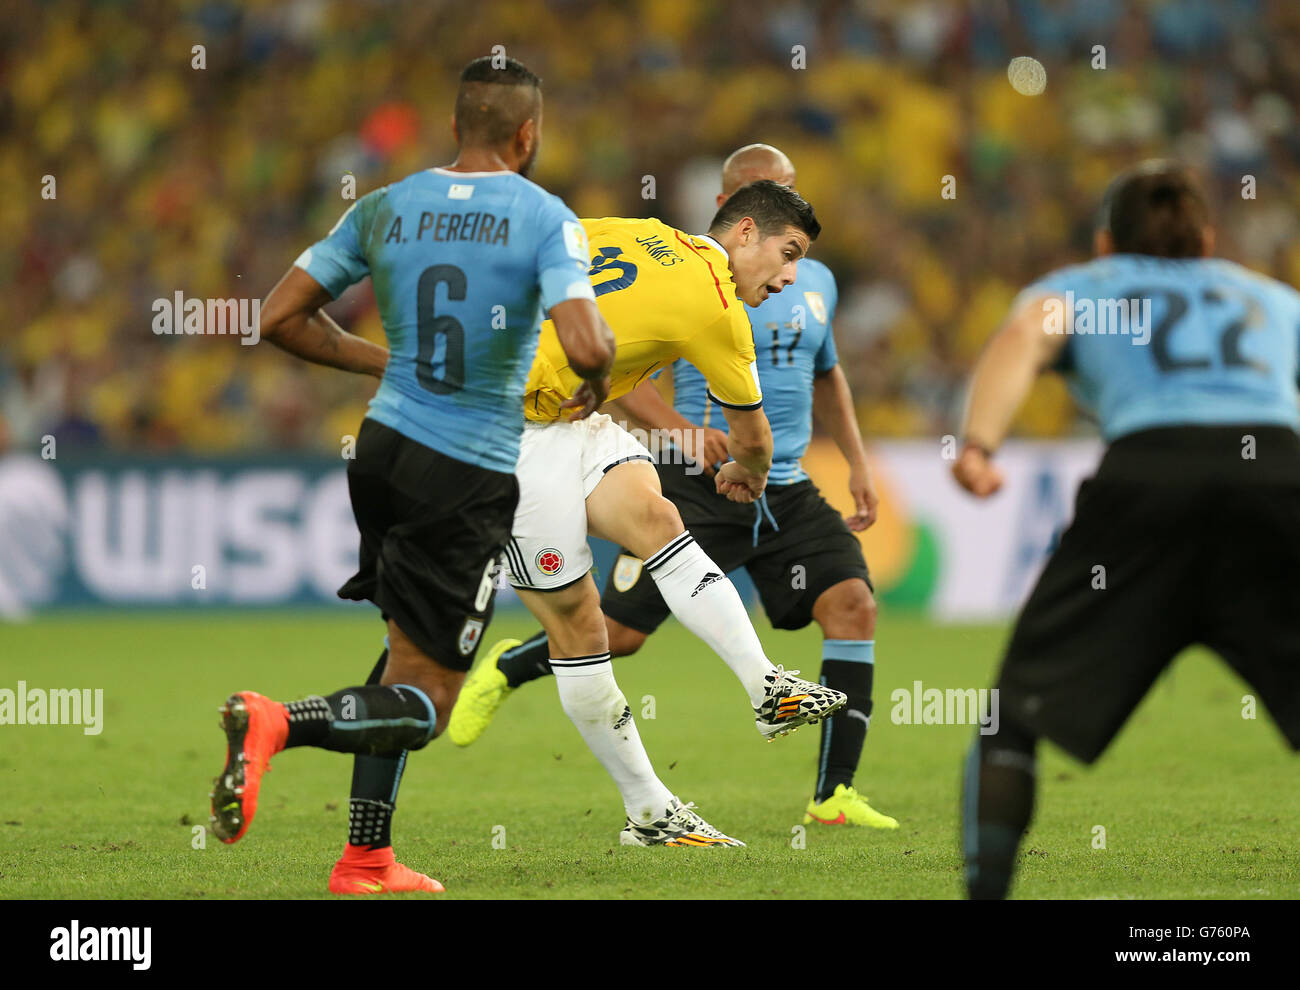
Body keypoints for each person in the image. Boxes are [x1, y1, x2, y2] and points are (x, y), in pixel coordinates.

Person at [207, 55, 615, 894]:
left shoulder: (384, 207)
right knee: (427, 704)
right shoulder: (545, 216)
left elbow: (277, 316)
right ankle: (277, 722)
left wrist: (387, 363)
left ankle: (364, 859)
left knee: (400, 659)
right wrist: (599, 370)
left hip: (383, 450)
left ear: (455, 127)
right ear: (529, 134)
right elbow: (584, 343)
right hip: (464, 470)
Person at [453, 146, 897, 830]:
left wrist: (570, 344)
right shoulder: (716, 308)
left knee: (663, 528)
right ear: (740, 223)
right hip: (515, 436)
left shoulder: (648, 233)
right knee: (590, 634)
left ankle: (770, 696)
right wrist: (728, 457)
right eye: (785, 253)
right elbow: (750, 440)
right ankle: (646, 808)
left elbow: (553, 243)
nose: (788, 275)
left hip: (587, 423)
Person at [954, 160, 1300, 899]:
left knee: (1013, 720)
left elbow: (1024, 338)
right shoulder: (1272, 298)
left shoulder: (1086, 287)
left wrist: (980, 444)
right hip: (1278, 479)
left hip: (1149, 479)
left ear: (1107, 244)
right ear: (1207, 240)